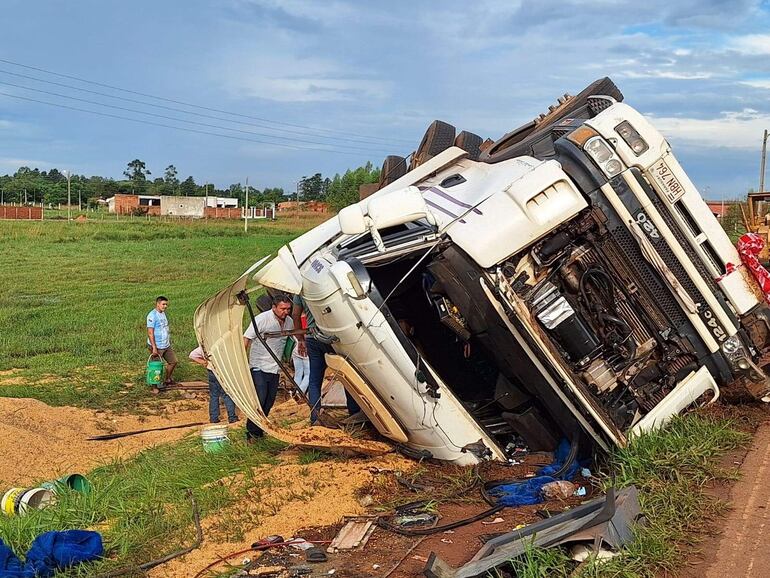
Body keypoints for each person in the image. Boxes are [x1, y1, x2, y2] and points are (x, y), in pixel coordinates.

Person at [292, 295, 360, 425]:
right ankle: (354, 412)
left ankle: (315, 416)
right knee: (344, 374)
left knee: (314, 379)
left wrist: (300, 339)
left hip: (312, 338)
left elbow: (295, 315)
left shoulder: (300, 291)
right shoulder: (327, 282)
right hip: (332, 337)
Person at [243, 294, 294, 441]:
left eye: (288, 309)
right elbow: (246, 339)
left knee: (269, 401)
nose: (285, 312)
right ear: (274, 307)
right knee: (260, 398)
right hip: (259, 365)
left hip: (275, 367)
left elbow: (290, 338)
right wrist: (242, 362)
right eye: (282, 309)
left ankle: (260, 430)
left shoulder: (289, 322)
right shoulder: (262, 319)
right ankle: (251, 433)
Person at [189, 345, 238, 424]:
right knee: (226, 394)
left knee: (214, 395)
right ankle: (232, 417)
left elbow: (192, 355)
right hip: (224, 371)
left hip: (211, 371)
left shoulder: (207, 345)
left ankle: (214, 418)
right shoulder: (225, 345)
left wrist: (204, 362)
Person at [146, 296, 177, 388]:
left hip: (166, 345)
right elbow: (150, 333)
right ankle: (154, 386)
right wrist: (154, 348)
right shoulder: (152, 316)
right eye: (163, 304)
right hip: (157, 345)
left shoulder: (163, 313)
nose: (165, 306)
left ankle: (167, 379)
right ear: (158, 304)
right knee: (156, 367)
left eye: (166, 304)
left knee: (173, 361)